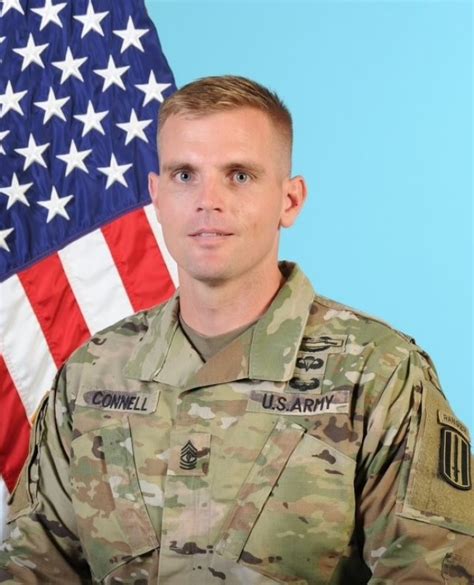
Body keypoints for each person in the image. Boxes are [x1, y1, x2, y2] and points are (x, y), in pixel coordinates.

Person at [0, 75, 472, 584]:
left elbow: (433, 573)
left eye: (240, 176)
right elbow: (32, 569)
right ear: (156, 197)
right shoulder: (93, 375)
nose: (208, 200)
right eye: (185, 175)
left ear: (289, 201)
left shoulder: (379, 375)